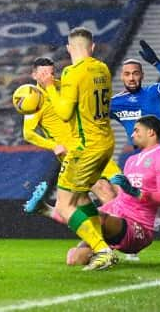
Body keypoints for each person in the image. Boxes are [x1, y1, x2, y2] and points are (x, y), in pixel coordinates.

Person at [34, 27, 117, 270]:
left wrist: (49, 87)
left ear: (69, 48)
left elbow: (64, 112)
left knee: (63, 204)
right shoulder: (102, 68)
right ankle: (102, 247)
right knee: (81, 198)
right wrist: (58, 83)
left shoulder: (72, 72)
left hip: (85, 147)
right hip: (106, 143)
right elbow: (83, 90)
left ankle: (102, 250)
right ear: (92, 47)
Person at [66, 115, 160, 265]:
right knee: (74, 259)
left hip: (139, 227)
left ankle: (105, 252)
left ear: (151, 132)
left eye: (136, 130)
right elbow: (121, 200)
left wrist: (138, 193)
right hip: (119, 219)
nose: (132, 134)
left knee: (97, 218)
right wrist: (45, 209)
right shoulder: (131, 160)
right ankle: (107, 255)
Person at [22, 57, 120, 218]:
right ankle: (113, 238)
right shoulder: (34, 99)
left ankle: (115, 233)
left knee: (120, 190)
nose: (49, 77)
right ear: (34, 75)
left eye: (51, 73)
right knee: (105, 191)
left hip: (92, 144)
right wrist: (53, 146)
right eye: (44, 73)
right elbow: (28, 134)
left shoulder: (65, 87)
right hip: (73, 153)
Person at [111, 40, 160, 156]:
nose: (132, 78)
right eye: (127, 74)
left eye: (135, 73)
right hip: (142, 157)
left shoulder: (153, 92)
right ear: (121, 77)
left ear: (142, 75)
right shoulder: (114, 103)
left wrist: (156, 63)